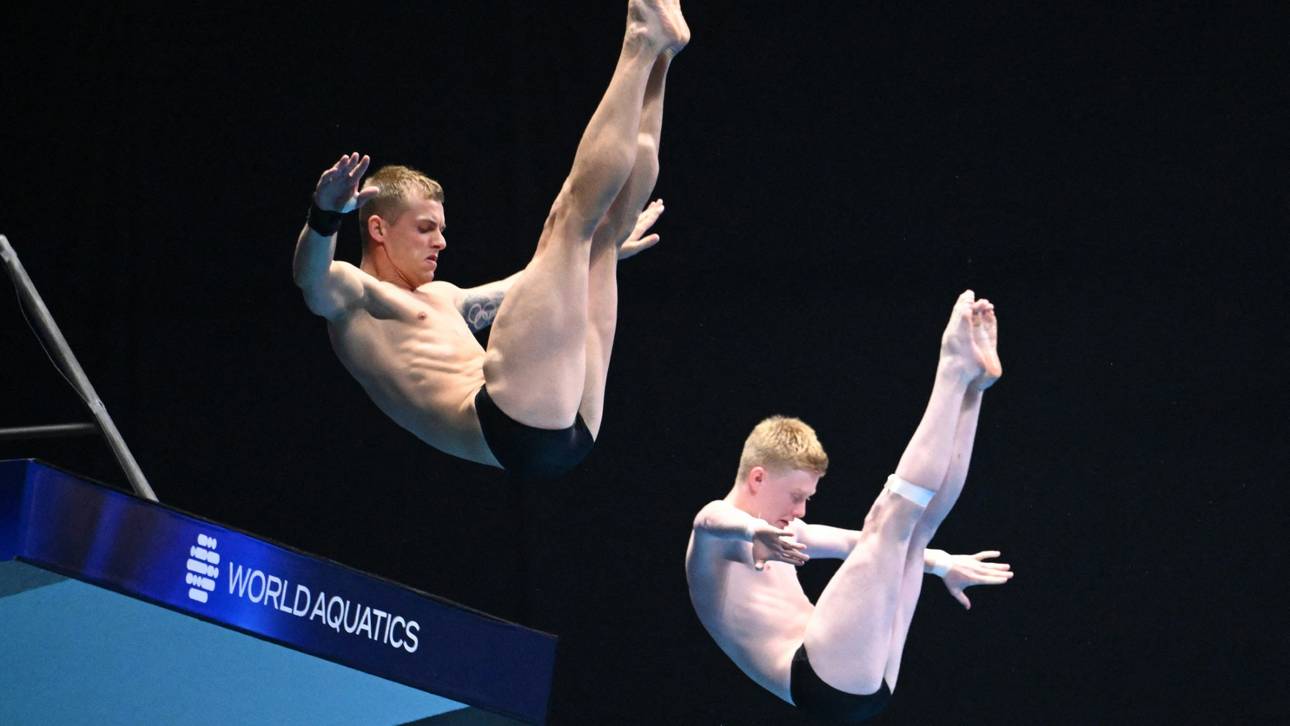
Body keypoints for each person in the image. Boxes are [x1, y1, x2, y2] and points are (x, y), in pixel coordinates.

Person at [292, 1, 689, 479]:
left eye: (441, 230)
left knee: (599, 237)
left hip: (568, 426)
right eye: (425, 228)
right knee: (567, 221)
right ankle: (639, 42)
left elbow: (519, 289)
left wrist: (586, 263)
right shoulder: (354, 300)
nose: (440, 243)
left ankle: (660, 57)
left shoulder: (442, 298)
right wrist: (325, 214)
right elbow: (310, 278)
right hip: (508, 424)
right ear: (378, 229)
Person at [685, 290, 1012, 722]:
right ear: (758, 477)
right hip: (813, 675)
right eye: (796, 496)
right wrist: (752, 530)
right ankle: (951, 370)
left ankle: (972, 389)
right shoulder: (715, 545)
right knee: (888, 520)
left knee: (912, 536)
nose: (800, 511)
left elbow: (854, 545)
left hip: (859, 680)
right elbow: (708, 518)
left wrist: (942, 565)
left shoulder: (782, 534)